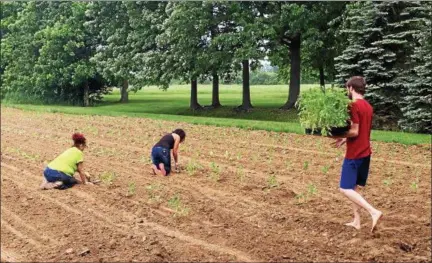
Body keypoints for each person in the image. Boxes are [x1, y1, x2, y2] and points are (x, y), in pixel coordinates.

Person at [332, 76, 382, 232]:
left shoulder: (353, 106)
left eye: (347, 88)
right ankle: (357, 221)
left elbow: (354, 131)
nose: (347, 91)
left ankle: (374, 212)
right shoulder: (368, 106)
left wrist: (339, 135)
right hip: (365, 152)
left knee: (344, 188)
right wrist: (344, 140)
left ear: (351, 88)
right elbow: (362, 131)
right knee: (354, 188)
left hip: (355, 154)